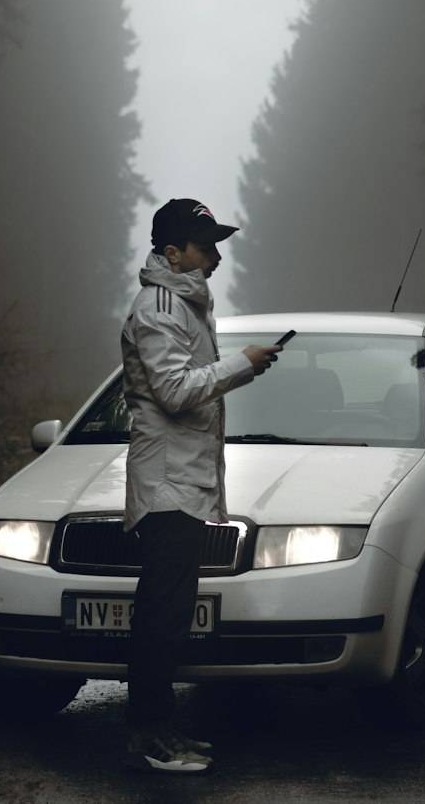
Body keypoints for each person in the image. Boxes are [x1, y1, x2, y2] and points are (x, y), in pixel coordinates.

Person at [120, 198, 281, 774]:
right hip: (167, 488)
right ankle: (149, 732)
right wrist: (243, 364)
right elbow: (175, 392)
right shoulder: (161, 308)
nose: (215, 256)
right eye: (205, 245)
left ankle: (157, 728)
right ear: (172, 253)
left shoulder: (185, 305)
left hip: (181, 484)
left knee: (169, 610)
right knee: (162, 614)